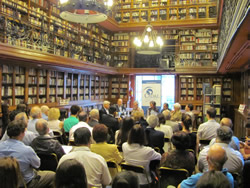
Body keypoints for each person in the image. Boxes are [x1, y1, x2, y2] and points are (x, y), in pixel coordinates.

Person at [0, 120, 55, 187]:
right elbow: (37, 165)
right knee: (52, 175)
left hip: (3, 181)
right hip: (26, 182)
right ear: (22, 133)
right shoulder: (27, 150)